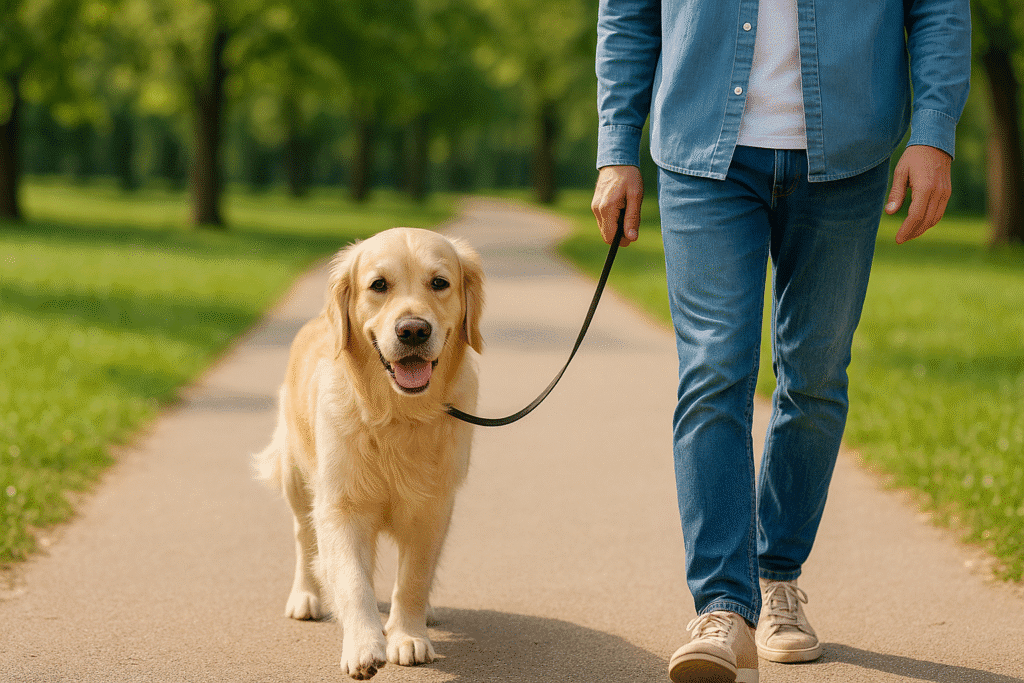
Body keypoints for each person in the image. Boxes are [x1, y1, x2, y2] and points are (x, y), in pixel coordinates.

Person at [591, 0, 971, 681]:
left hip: (847, 151)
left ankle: (777, 577)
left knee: (816, 375)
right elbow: (627, 12)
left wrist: (934, 130)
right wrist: (616, 147)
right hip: (702, 148)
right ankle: (722, 606)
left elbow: (940, 8)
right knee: (712, 369)